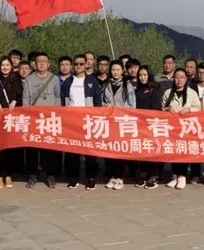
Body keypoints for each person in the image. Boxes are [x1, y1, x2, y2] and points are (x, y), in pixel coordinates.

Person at [61, 54, 103, 189]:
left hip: (88, 120)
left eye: (81, 64)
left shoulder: (92, 81)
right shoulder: (68, 81)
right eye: (76, 64)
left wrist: (96, 117)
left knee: (89, 151)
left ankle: (90, 178)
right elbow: (63, 100)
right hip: (71, 121)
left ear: (86, 65)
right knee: (72, 151)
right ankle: (73, 178)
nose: (78, 66)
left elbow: (97, 100)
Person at [23, 52, 62, 188]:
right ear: (35, 64)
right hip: (34, 118)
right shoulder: (29, 79)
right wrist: (28, 115)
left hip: (50, 118)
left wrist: (56, 113)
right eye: (39, 61)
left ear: (49, 64)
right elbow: (26, 98)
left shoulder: (54, 78)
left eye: (44, 61)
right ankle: (33, 174)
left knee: (50, 147)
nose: (42, 64)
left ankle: (50, 174)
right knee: (33, 148)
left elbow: (58, 97)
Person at [162, 68, 202, 190]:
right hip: (172, 128)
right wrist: (167, 110)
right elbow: (162, 108)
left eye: (181, 77)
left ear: (186, 79)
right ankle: (174, 175)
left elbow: (198, 108)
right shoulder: (168, 92)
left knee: (183, 150)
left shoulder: (192, 93)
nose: (179, 80)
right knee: (173, 150)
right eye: (176, 77)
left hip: (186, 128)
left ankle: (182, 176)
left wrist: (189, 110)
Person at [0, 56, 23, 189]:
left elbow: (21, 97)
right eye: (3, 65)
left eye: (7, 65)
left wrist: (16, 101)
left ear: (11, 66)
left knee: (10, 147)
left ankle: (8, 174)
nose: (5, 67)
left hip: (12, 118)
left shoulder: (17, 80)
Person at [102, 61, 136, 190]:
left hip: (123, 122)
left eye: (117, 70)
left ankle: (120, 177)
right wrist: (106, 106)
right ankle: (112, 176)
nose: (115, 72)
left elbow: (132, 105)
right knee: (111, 150)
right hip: (110, 122)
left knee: (121, 150)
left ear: (122, 71)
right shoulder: (107, 84)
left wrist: (120, 111)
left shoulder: (128, 85)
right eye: (113, 70)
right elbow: (102, 101)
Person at [134, 65, 163, 188]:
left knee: (152, 150)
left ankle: (153, 175)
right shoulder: (137, 90)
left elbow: (156, 110)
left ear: (149, 75)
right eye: (140, 75)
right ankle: (144, 173)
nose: (142, 77)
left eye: (145, 75)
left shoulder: (154, 90)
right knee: (142, 150)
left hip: (151, 125)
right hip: (139, 125)